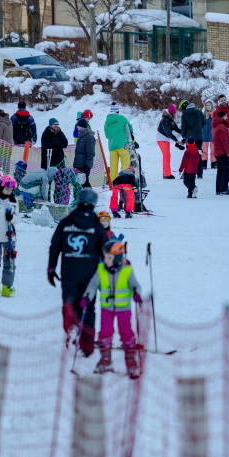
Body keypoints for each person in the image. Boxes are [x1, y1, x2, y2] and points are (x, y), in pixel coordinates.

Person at [47, 188, 106, 356]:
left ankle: (71, 329)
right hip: (90, 275)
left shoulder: (66, 221)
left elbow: (55, 246)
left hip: (69, 272)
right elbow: (106, 250)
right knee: (88, 307)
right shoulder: (96, 225)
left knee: (70, 304)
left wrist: (51, 268)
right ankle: (86, 345)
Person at [81, 238, 143, 377]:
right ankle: (106, 359)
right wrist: (87, 296)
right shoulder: (101, 269)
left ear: (117, 257)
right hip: (107, 308)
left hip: (123, 309)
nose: (105, 260)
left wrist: (136, 293)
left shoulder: (127, 270)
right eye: (105, 257)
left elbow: (135, 285)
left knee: (126, 333)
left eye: (109, 257)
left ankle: (130, 360)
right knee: (104, 333)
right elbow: (92, 285)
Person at [104, 102, 135, 181]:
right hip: (122, 145)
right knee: (125, 162)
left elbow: (107, 135)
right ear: (117, 111)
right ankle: (124, 179)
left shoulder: (107, 122)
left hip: (112, 146)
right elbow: (130, 128)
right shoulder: (121, 118)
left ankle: (114, 182)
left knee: (113, 165)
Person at [157, 103, 184, 179]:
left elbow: (177, 129)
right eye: (174, 113)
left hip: (165, 139)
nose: (175, 114)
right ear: (172, 113)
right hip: (161, 138)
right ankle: (167, 174)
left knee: (167, 155)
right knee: (167, 155)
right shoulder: (164, 120)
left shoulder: (171, 120)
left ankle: (165, 172)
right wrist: (176, 140)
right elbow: (168, 132)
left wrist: (185, 133)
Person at [180, 100, 206, 178]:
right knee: (198, 154)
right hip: (199, 137)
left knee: (190, 156)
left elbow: (183, 127)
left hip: (189, 138)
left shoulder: (184, 114)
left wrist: (184, 137)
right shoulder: (199, 112)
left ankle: (190, 174)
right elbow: (204, 122)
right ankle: (200, 174)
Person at [212, 110, 229, 194]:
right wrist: (228, 152)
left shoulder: (215, 126)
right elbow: (225, 141)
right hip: (222, 152)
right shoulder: (221, 127)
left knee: (220, 171)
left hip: (217, 152)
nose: (227, 118)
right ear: (222, 117)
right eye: (225, 116)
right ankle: (223, 189)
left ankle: (219, 189)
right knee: (227, 171)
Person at [73, 116, 96, 188]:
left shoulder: (89, 137)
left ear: (82, 126)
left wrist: (87, 165)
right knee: (78, 182)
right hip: (78, 163)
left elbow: (91, 152)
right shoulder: (81, 136)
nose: (77, 127)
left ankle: (89, 197)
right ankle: (78, 197)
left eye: (78, 126)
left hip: (84, 164)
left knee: (84, 182)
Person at [0, 109, 14, 173]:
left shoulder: (1, 124)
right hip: (9, 148)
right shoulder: (10, 123)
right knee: (6, 167)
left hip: (1, 149)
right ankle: (6, 180)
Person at [201, 100, 215, 170]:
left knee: (213, 150)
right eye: (206, 105)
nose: (208, 106)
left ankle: (214, 163)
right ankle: (204, 163)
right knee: (204, 150)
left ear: (212, 105)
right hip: (204, 134)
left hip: (213, 134)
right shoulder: (203, 115)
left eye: (209, 105)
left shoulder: (215, 114)